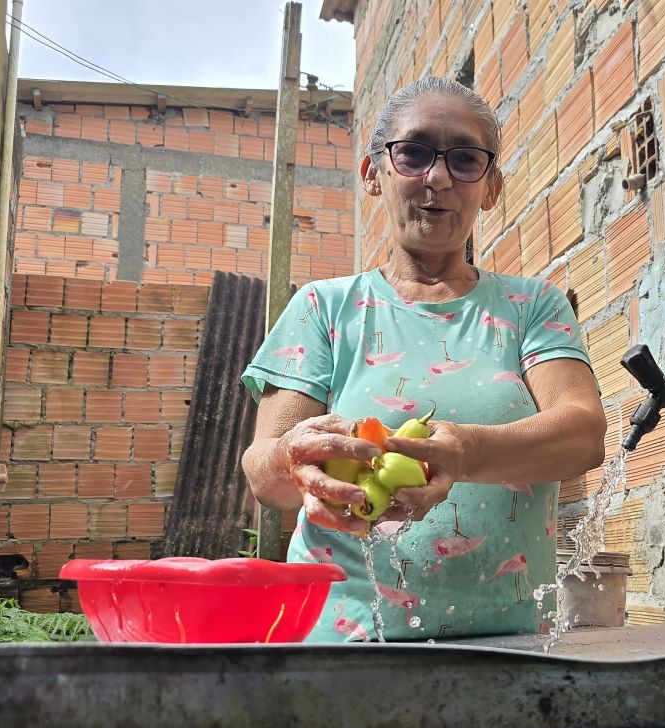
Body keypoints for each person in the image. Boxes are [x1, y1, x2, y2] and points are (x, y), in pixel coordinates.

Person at [240, 76, 606, 643]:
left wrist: (467, 451)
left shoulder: (532, 307)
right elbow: (265, 471)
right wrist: (293, 458)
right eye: (413, 153)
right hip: (345, 645)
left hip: (508, 647)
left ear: (491, 187)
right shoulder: (324, 308)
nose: (437, 177)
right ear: (373, 173)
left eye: (464, 159)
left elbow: (583, 434)